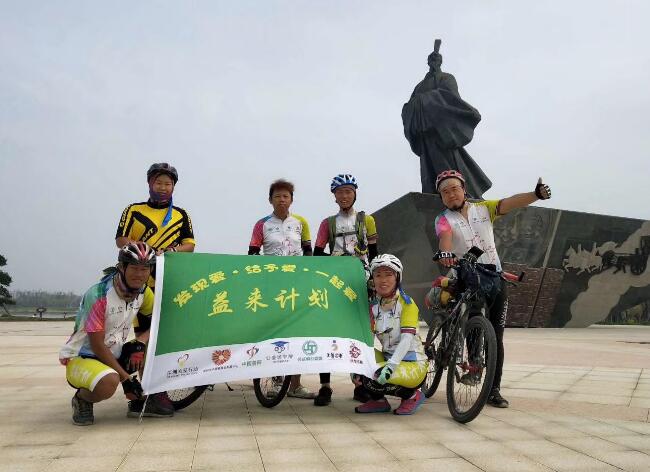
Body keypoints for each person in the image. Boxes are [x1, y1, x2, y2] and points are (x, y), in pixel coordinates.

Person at [433, 169, 552, 408]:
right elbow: (445, 238)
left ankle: (493, 390)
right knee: (473, 324)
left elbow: (510, 202)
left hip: (494, 274)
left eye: (454, 188)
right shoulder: (443, 219)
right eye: (445, 192)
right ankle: (473, 364)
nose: (451, 194)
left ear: (464, 189)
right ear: (442, 197)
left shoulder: (483, 209)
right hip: (466, 275)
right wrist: (445, 254)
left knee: (496, 336)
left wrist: (535, 195)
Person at [59, 242, 173, 425]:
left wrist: (141, 342)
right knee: (109, 382)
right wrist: (126, 379)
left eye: (145, 269)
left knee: (149, 348)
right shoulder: (99, 295)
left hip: (114, 353)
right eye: (134, 268)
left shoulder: (143, 292)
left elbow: (162, 318)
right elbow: (97, 346)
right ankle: (82, 399)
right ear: (121, 267)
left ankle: (140, 401)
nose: (139, 274)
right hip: (82, 357)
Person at [248, 179, 321, 399]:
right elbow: (252, 254)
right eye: (277, 196)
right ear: (270, 200)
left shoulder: (300, 222)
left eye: (286, 196)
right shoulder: (261, 224)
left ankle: (295, 385)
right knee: (274, 333)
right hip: (271, 287)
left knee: (296, 333)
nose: (282, 199)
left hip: (296, 286)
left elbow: (308, 253)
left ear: (291, 200)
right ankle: (274, 381)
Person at [313, 174, 379, 406]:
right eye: (340, 192)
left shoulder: (367, 220)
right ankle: (325, 386)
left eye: (348, 191)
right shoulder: (327, 223)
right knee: (327, 332)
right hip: (335, 282)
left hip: (361, 281)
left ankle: (360, 384)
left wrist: (375, 279)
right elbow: (317, 253)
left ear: (355, 193)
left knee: (362, 332)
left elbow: (374, 253)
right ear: (334, 196)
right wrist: (336, 260)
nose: (344, 196)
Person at [354, 254, 427, 415]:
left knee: (378, 375)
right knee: (356, 358)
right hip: (388, 359)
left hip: (413, 365)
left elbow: (407, 339)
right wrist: (357, 365)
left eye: (388, 275)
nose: (383, 280)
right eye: (378, 275)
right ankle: (378, 401)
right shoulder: (373, 307)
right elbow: (368, 340)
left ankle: (412, 396)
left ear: (397, 278)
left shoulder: (407, 304)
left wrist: (390, 366)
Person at [116, 163, 195, 260]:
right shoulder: (133, 209)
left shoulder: (181, 214)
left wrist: (173, 250)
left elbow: (190, 245)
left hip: (168, 266)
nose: (163, 188)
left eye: (167, 184)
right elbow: (120, 240)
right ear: (150, 183)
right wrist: (145, 249)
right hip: (138, 266)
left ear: (173, 186)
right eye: (158, 183)